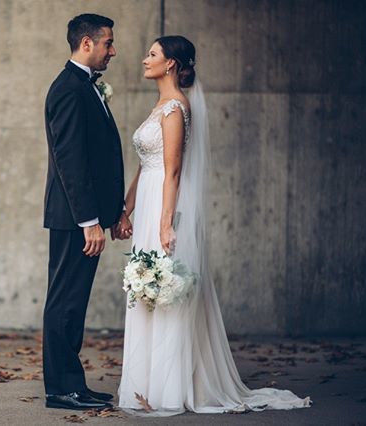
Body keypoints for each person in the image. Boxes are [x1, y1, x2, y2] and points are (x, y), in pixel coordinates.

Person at [117, 35, 312, 416]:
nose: (144, 59)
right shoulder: (158, 106)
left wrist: (165, 223)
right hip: (148, 206)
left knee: (167, 292)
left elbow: (173, 172)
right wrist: (124, 211)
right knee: (147, 293)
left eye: (152, 54)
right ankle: (145, 385)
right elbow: (144, 168)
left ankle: (170, 389)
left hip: (165, 207)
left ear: (171, 63)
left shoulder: (176, 108)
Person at [42, 13, 132, 410]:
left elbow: (99, 156)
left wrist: (112, 214)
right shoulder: (68, 89)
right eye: (108, 43)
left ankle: (72, 383)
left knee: (73, 303)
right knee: (65, 302)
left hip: (86, 217)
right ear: (86, 44)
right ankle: (61, 389)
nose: (113, 50)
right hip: (74, 219)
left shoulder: (85, 87)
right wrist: (90, 222)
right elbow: (71, 160)